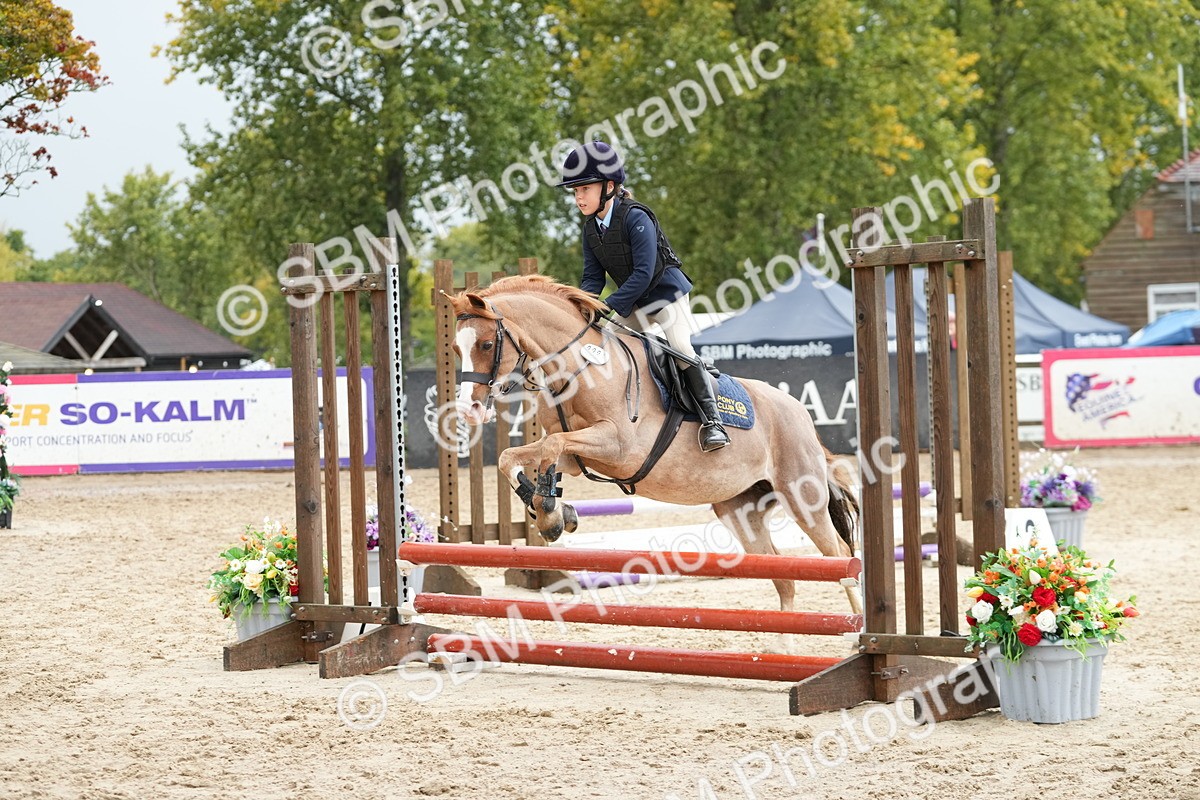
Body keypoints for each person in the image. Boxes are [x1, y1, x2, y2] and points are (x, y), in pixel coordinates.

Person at [556, 141, 730, 452]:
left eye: (585, 189)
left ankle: (712, 422)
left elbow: (644, 273)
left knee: (680, 347)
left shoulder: (636, 218)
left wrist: (608, 305)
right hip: (635, 301)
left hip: (667, 296)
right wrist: (583, 306)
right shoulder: (590, 229)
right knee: (603, 346)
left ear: (609, 186)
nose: (578, 197)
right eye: (575, 191)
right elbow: (593, 278)